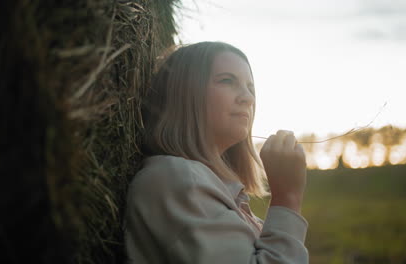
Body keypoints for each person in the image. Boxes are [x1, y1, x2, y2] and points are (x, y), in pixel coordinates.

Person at [124, 41, 308, 263]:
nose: (248, 98)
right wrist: (287, 197)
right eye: (227, 81)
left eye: (250, 87)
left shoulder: (214, 188)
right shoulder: (178, 178)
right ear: (184, 92)